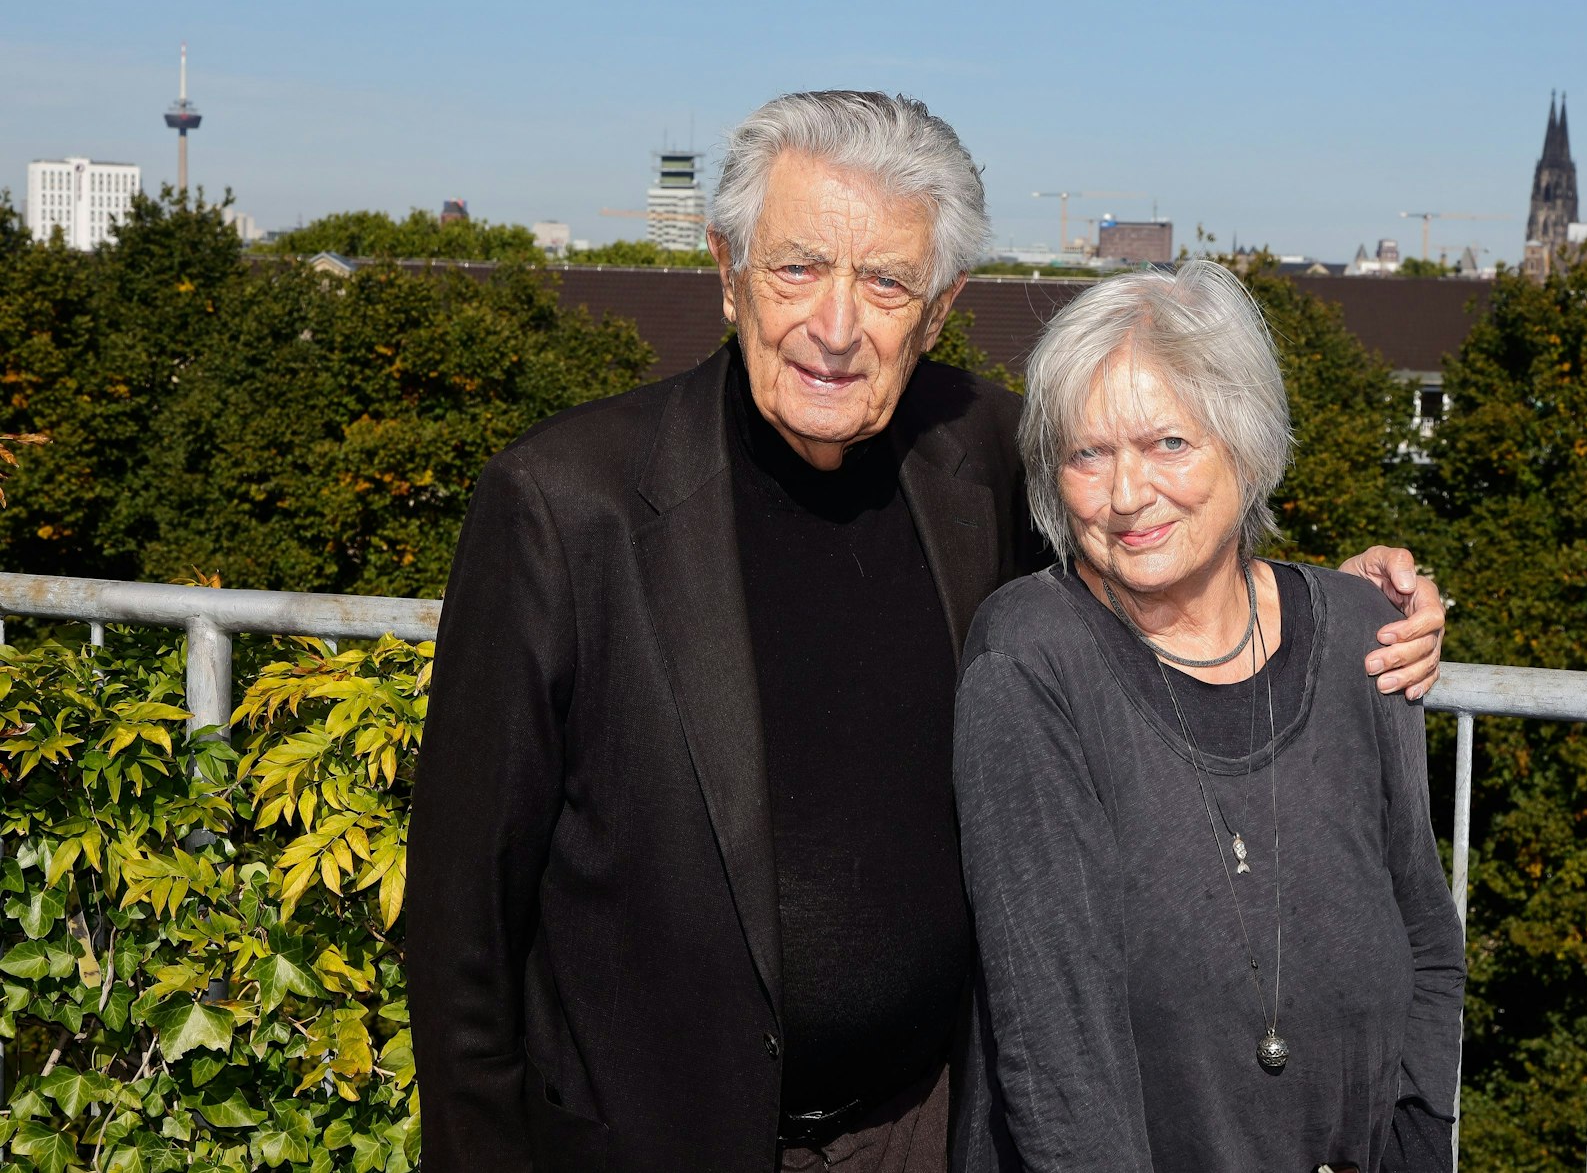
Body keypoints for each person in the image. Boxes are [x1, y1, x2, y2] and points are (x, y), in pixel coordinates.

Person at [407, 92, 1448, 1172]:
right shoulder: (565, 504)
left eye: (885, 280)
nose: (836, 325)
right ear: (726, 271)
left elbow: (1173, 546)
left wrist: (1349, 592)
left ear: (940, 306)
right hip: (646, 1143)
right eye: (798, 266)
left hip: (925, 1133)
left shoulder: (991, 458)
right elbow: (461, 917)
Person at [955, 260, 1464, 1173]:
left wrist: (1418, 1145)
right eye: (1088, 454)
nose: (1126, 494)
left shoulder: (1361, 633)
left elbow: (1426, 937)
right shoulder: (1034, 658)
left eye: (1169, 444)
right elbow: (1054, 1038)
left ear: (1247, 441)